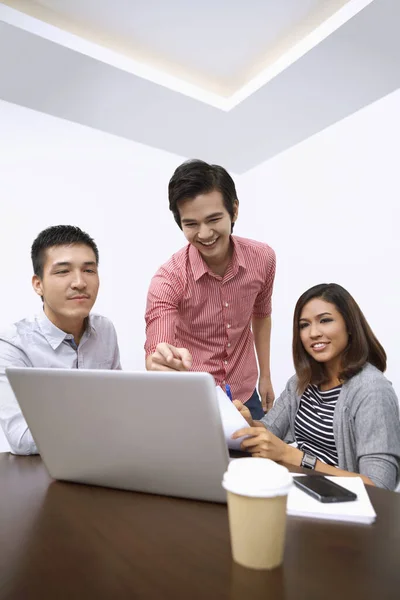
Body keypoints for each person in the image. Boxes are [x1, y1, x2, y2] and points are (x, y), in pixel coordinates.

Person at [232, 283, 400, 490]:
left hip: (344, 507)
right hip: (298, 490)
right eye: (304, 325)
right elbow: (270, 431)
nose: (313, 333)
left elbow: (380, 485)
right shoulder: (301, 382)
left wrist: (294, 456)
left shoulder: (372, 390)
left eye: (325, 321)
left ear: (349, 326)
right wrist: (247, 423)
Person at [145, 159, 276, 419]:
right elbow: (156, 350)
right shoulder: (168, 278)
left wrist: (266, 376)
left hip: (245, 392)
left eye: (214, 219)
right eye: (191, 224)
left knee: (256, 461)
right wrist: (159, 360)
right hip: (193, 400)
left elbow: (261, 315)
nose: (204, 234)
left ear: (234, 211)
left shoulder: (263, 258)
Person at [0, 225, 121, 455]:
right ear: (38, 284)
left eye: (89, 270)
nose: (79, 282)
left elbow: (119, 406)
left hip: (101, 463)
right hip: (35, 473)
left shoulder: (104, 330)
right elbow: (21, 437)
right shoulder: (12, 344)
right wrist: (104, 426)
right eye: (63, 271)